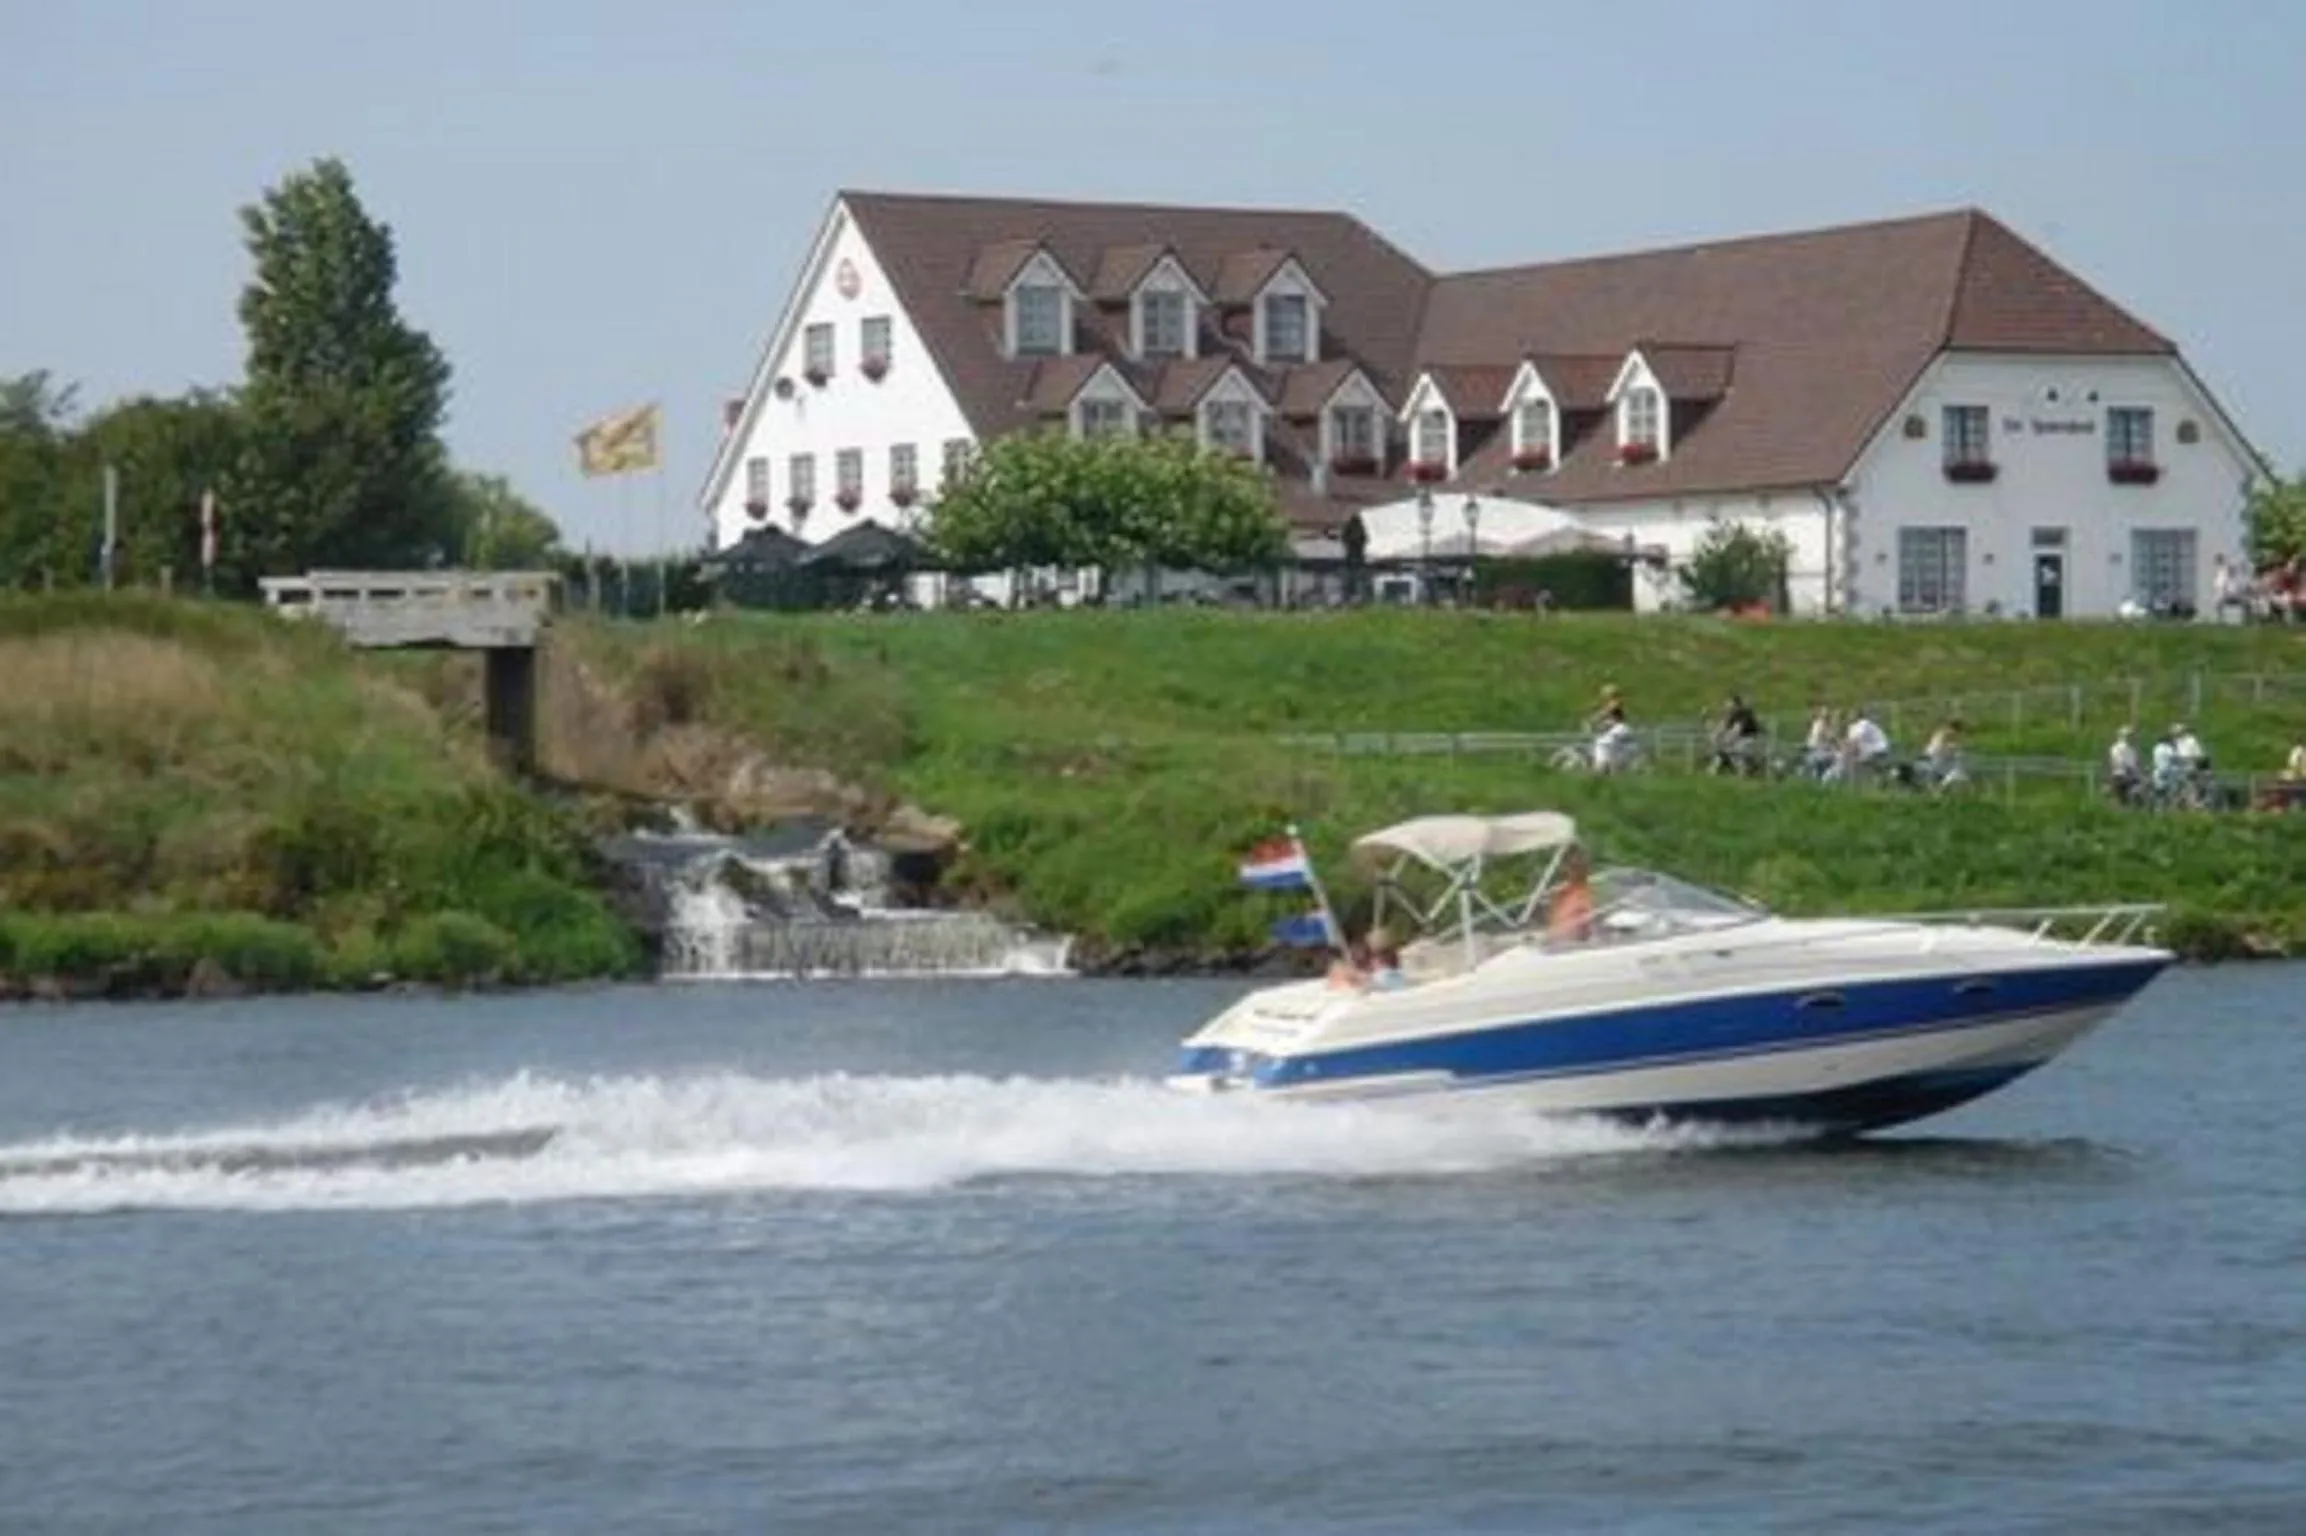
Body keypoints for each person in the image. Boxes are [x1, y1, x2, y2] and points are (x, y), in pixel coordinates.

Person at [1547, 848, 1597, 944]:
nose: (1574, 872)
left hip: (1573, 943)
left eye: (1578, 868)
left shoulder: (1586, 893)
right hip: (1556, 941)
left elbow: (1590, 921)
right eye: (1572, 868)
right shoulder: (1560, 892)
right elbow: (1553, 920)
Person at [1711, 693, 1766, 776]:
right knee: (1724, 749)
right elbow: (1721, 727)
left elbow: (1736, 731)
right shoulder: (1730, 715)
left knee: (1733, 748)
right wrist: (1715, 737)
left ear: (1736, 705)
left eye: (1729, 704)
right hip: (1739, 740)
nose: (1726, 706)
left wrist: (1725, 741)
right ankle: (1714, 770)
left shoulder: (1743, 714)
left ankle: (1741, 770)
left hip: (1751, 740)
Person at [1843, 707, 1893, 782]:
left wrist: (1849, 752)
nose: (1850, 716)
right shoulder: (1851, 727)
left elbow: (1856, 739)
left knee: (1858, 762)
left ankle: (1880, 777)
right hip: (1867, 751)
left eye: (1852, 714)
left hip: (1879, 748)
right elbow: (1850, 741)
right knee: (1853, 760)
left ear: (1858, 715)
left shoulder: (1864, 723)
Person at [1921, 717, 1967, 792]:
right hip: (1935, 758)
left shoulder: (1941, 733)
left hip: (1932, 756)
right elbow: (1947, 749)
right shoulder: (1947, 734)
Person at [2106, 725, 2143, 805]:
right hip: (2122, 775)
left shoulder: (2130, 749)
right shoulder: (2117, 748)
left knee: (2128, 798)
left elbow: (2134, 762)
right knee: (2123, 798)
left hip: (2127, 775)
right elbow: (2119, 761)